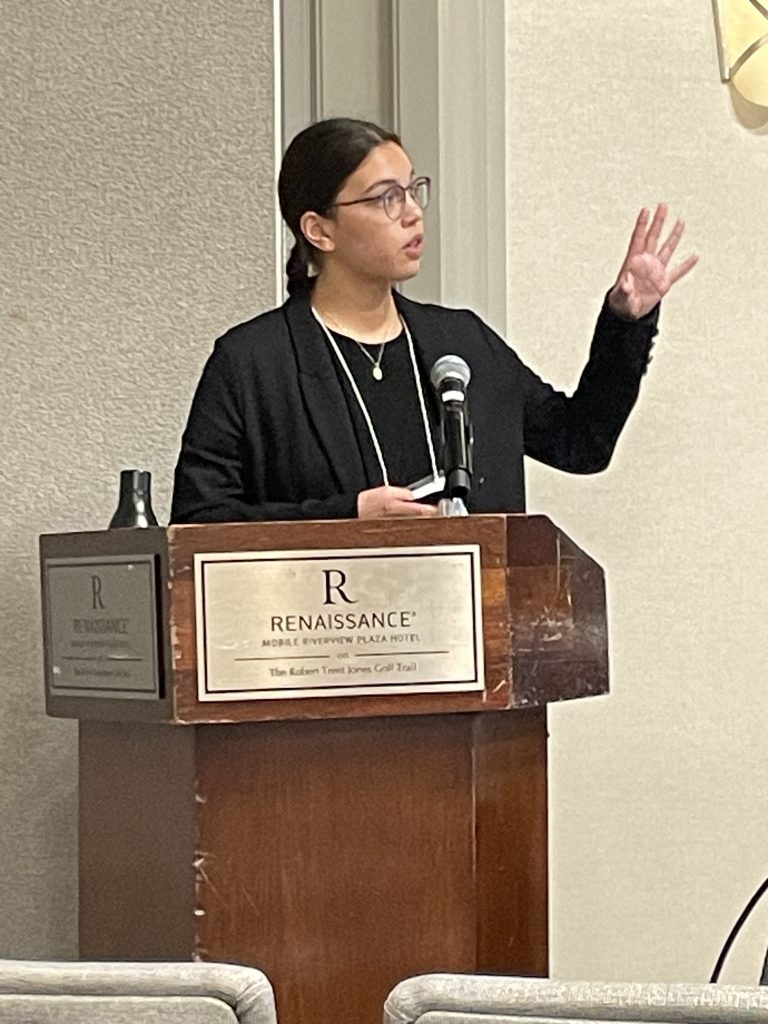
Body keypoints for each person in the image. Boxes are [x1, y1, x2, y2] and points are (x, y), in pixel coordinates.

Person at [170, 117, 697, 524]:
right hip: (329, 647)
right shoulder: (254, 363)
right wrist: (347, 516)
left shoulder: (462, 343)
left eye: (413, 190)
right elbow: (198, 523)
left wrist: (628, 320)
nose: (413, 213)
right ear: (319, 230)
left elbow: (581, 442)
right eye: (386, 198)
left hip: (472, 643)